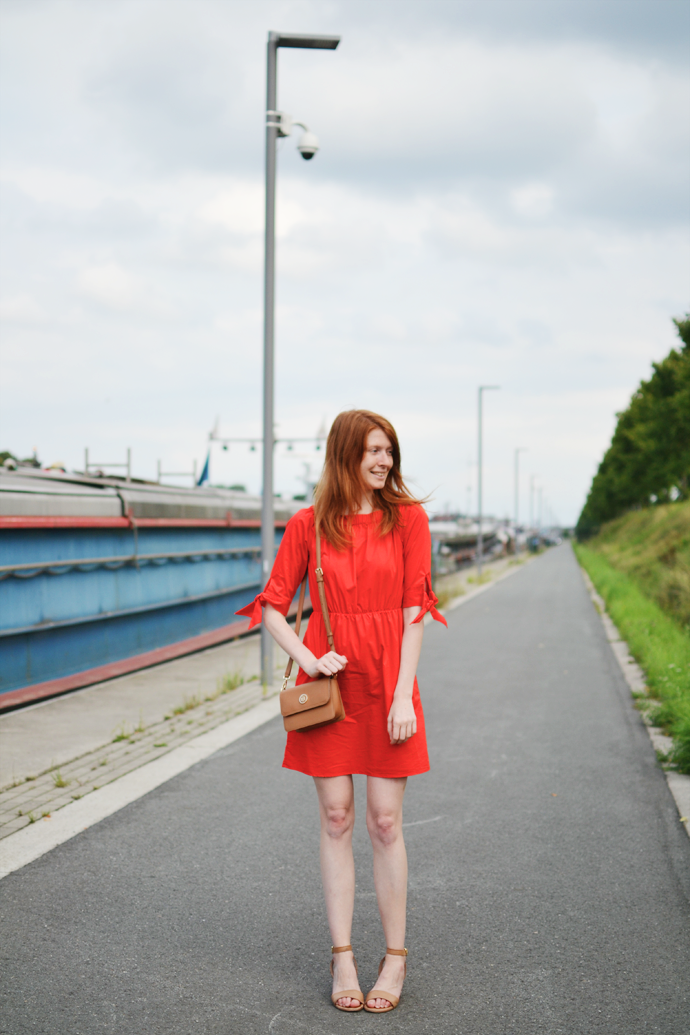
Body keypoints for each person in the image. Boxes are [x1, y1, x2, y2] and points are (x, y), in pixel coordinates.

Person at [236, 409, 446, 1013]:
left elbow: (414, 611)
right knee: (335, 817)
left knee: (384, 821)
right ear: (344, 454)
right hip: (331, 686)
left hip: (388, 684)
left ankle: (396, 959)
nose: (383, 461)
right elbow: (272, 606)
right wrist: (310, 654)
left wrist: (404, 692)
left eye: (389, 451)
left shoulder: (408, 519)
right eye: (372, 451)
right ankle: (343, 956)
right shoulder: (308, 524)